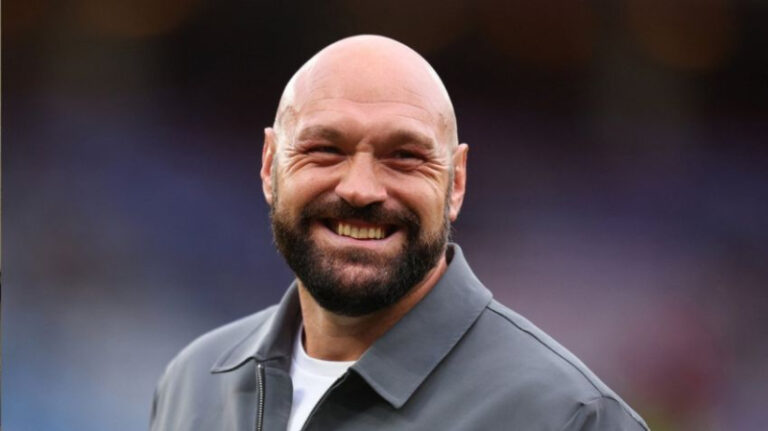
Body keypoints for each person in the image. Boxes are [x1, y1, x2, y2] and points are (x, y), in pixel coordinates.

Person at [150, 35, 649, 431]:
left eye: (404, 157)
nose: (360, 189)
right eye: (325, 149)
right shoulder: (193, 383)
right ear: (269, 165)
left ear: (456, 182)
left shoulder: (569, 418)